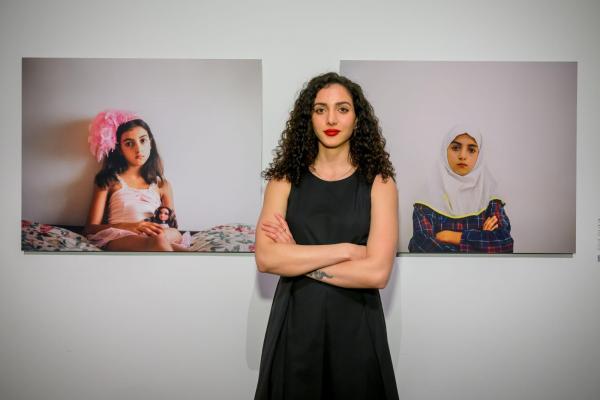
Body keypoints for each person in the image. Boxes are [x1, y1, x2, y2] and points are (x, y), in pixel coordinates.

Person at [254, 73, 400, 399]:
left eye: (342, 109)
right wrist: (348, 249)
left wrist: (296, 257)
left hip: (357, 325)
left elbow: (377, 272)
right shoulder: (283, 180)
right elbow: (266, 258)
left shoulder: (381, 183)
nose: (331, 119)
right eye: (320, 110)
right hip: (295, 322)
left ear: (357, 118)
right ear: (309, 118)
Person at [84, 110, 187, 251]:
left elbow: (171, 223)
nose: (138, 149)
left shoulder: (162, 184)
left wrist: (162, 232)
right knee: (158, 241)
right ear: (120, 149)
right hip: (121, 235)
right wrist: (131, 226)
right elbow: (90, 229)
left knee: (165, 236)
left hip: (158, 234)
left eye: (143, 140)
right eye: (129, 143)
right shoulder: (109, 180)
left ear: (150, 143)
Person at [408, 125, 514, 253]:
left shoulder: (490, 197)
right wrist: (481, 241)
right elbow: (422, 247)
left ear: (479, 156)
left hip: (484, 273)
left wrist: (450, 236)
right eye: (456, 148)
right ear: (444, 151)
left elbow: (505, 244)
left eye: (471, 150)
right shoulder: (426, 198)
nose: (463, 156)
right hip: (440, 273)